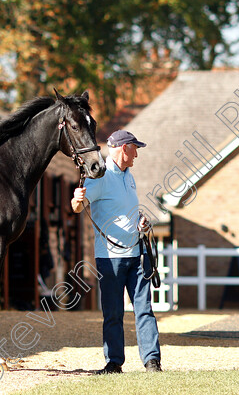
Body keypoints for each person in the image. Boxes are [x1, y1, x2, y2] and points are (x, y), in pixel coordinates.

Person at [71, 130, 162, 374]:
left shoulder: (128, 176)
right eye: (135, 149)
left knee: (145, 310)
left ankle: (152, 361)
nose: (136, 155)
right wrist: (77, 199)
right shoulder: (100, 177)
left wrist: (141, 222)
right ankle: (113, 363)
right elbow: (78, 207)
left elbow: (126, 210)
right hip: (110, 258)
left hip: (137, 254)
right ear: (124, 148)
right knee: (113, 313)